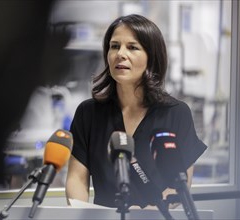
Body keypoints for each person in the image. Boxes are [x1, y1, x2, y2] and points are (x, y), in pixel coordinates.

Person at [65, 14, 207, 209]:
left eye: (132, 47)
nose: (120, 54)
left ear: (151, 57)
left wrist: (147, 214)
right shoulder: (88, 113)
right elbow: (76, 179)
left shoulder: (176, 113)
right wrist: (80, 214)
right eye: (114, 46)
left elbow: (179, 186)